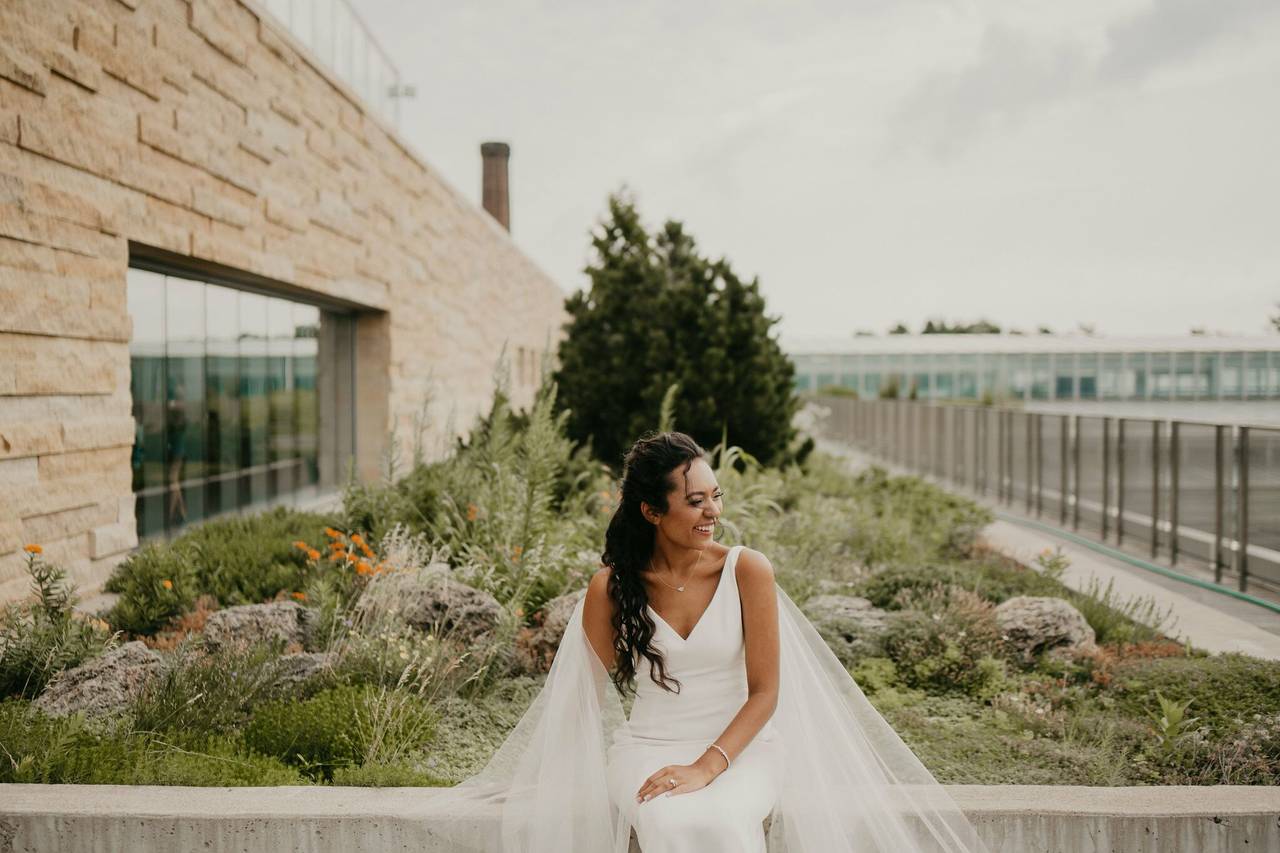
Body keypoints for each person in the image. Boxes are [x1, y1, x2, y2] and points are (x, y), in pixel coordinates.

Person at [419, 431, 990, 853]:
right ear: (651, 511)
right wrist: (553, 778)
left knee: (721, 821)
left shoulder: (748, 571)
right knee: (666, 820)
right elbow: (582, 699)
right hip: (646, 745)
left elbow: (766, 693)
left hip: (743, 749)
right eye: (695, 501)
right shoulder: (610, 590)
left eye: (715, 496)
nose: (713, 511)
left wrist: (706, 766)